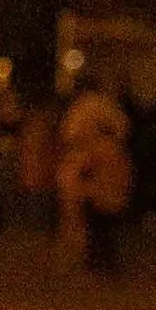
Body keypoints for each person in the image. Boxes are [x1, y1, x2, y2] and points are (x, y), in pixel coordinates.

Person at [57, 73, 134, 271]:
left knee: (90, 216)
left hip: (89, 166)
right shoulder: (108, 106)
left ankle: (95, 256)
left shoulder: (80, 108)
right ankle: (105, 257)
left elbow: (69, 135)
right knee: (107, 217)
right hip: (108, 166)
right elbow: (124, 128)